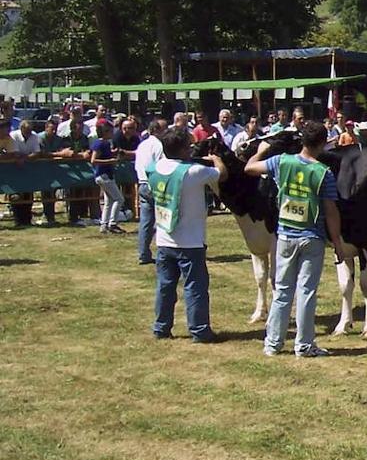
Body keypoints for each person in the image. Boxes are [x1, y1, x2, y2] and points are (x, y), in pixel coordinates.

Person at [245, 123, 346, 357]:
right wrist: (338, 243)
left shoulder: (281, 161)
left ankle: (273, 343)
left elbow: (249, 168)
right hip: (312, 236)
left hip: (285, 235)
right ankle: (304, 345)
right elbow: (331, 211)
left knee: (282, 291)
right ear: (322, 143)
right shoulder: (324, 173)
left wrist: (260, 150)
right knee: (306, 291)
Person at [150, 127, 227, 343]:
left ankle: (161, 327)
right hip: (190, 241)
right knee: (195, 287)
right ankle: (200, 330)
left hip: (165, 237)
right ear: (183, 149)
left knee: (165, 286)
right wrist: (215, 159)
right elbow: (222, 174)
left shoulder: (155, 168)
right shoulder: (194, 172)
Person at [135, 119, 168, 265]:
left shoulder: (142, 145)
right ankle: (165, 252)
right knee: (163, 219)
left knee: (146, 222)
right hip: (154, 184)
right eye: (164, 129)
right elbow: (163, 165)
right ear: (156, 130)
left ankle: (143, 253)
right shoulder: (159, 145)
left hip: (142, 183)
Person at [90, 122, 126, 234]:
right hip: (103, 175)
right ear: (104, 132)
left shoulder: (106, 143)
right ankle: (112, 223)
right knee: (119, 199)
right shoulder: (99, 144)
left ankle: (104, 224)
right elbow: (93, 160)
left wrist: (114, 154)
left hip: (107, 175)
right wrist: (109, 161)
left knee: (108, 201)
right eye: (110, 131)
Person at [9, 120, 41, 227]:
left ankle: (27, 219)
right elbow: (15, 152)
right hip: (14, 170)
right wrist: (24, 158)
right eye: (27, 131)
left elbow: (37, 152)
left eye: (30, 130)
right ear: (21, 129)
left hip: (29, 169)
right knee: (16, 195)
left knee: (28, 194)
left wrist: (25, 158)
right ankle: (18, 220)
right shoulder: (14, 135)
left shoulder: (34, 136)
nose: (29, 133)